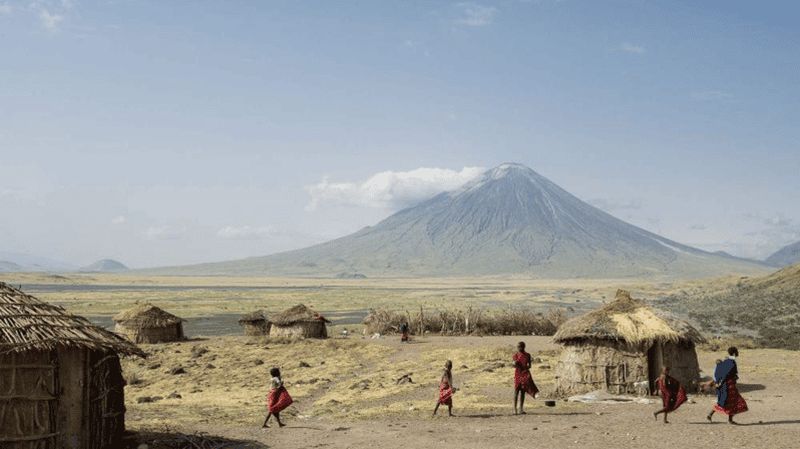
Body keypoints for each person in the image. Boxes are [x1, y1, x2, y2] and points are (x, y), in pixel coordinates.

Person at [707, 347, 748, 424]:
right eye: (737, 351)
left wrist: (719, 382)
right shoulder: (731, 362)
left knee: (726, 400)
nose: (738, 353)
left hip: (726, 385)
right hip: (729, 385)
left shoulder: (726, 361)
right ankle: (728, 419)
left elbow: (719, 371)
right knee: (732, 401)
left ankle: (711, 415)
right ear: (734, 353)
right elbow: (729, 373)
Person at [513, 341, 539, 415]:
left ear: (523, 347)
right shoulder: (515, 355)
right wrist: (515, 364)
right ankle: (515, 409)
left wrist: (525, 367)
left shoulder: (527, 355)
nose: (518, 348)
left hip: (524, 373)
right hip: (518, 374)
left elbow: (529, 366)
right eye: (517, 347)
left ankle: (521, 409)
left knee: (523, 391)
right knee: (516, 391)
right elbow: (514, 365)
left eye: (520, 347)